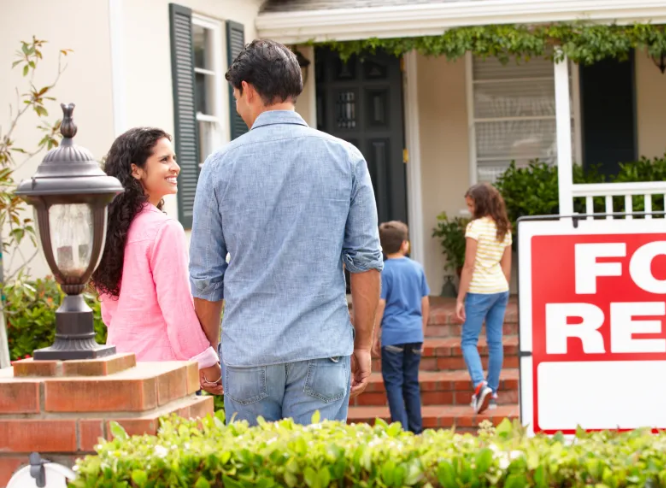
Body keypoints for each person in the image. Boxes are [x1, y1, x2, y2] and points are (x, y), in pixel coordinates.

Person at [189, 39, 383, 426]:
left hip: (249, 353)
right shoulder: (346, 158)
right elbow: (365, 262)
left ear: (246, 89)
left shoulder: (218, 166)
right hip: (321, 346)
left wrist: (208, 354)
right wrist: (363, 343)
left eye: (236, 95)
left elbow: (207, 277)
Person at [92, 128, 222, 395]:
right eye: (164, 160)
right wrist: (207, 364)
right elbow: (178, 311)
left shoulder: (108, 229)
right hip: (163, 372)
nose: (176, 167)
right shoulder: (164, 230)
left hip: (120, 366)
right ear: (136, 170)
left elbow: (109, 313)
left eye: (173, 159)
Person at [455, 183, 513, 414]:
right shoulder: (504, 227)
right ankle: (493, 391)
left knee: (468, 340)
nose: (469, 209)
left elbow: (469, 266)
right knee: (495, 341)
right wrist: (501, 288)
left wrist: (460, 298)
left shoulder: (475, 227)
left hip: (479, 290)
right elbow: (507, 268)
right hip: (500, 289)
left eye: (471, 205)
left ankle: (480, 385)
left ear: (480, 203)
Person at [372, 222, 429, 434]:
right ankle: (417, 430)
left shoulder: (384, 271)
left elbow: (380, 304)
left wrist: (374, 335)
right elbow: (425, 303)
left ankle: (400, 431)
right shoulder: (417, 268)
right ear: (405, 244)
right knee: (411, 384)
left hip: (393, 335)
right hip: (414, 333)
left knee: (394, 383)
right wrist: (421, 332)